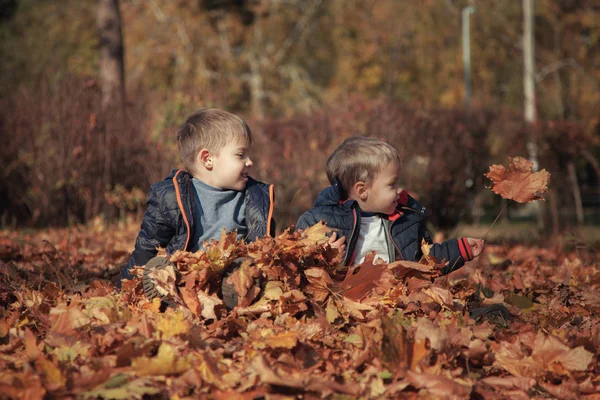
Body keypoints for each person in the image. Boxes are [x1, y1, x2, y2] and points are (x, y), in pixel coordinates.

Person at [120, 108, 275, 307]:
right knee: (161, 268)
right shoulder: (171, 197)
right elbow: (146, 247)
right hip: (184, 278)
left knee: (243, 269)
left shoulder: (255, 198)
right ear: (207, 159)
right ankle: (164, 295)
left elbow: (263, 248)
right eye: (240, 155)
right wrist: (122, 290)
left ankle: (235, 298)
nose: (250, 162)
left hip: (227, 280)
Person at [296, 136, 484, 274]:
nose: (399, 190)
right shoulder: (319, 222)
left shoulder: (406, 221)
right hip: (345, 303)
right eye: (392, 184)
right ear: (363, 190)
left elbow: (425, 261)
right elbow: (297, 263)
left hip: (393, 300)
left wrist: (460, 250)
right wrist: (323, 256)